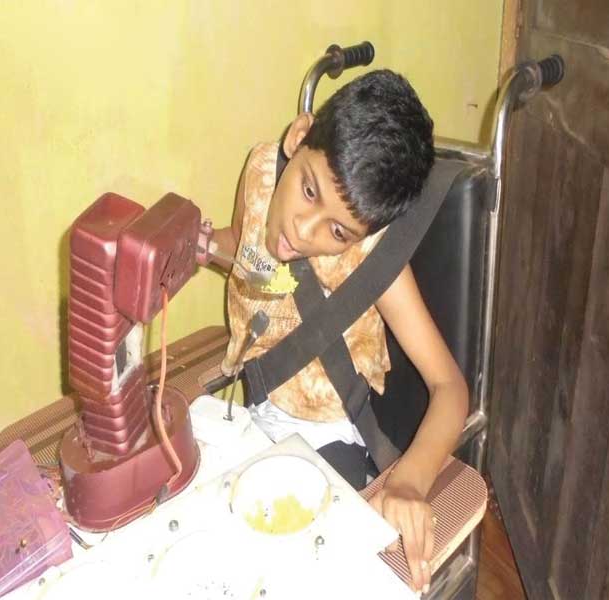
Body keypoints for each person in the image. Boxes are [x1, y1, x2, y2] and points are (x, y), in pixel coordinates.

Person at [200, 69, 468, 594]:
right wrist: (200, 246)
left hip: (324, 439)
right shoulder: (260, 170)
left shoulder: (374, 261)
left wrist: (410, 482)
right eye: (308, 190)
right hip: (248, 411)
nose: (303, 230)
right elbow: (247, 246)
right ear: (298, 137)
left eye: (338, 231)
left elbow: (450, 388)